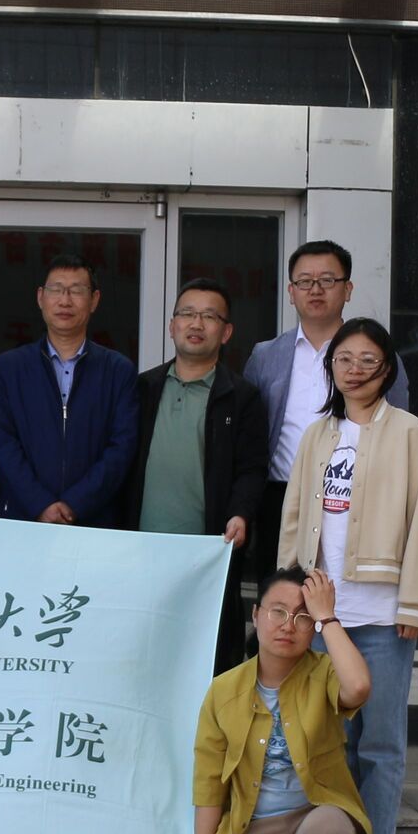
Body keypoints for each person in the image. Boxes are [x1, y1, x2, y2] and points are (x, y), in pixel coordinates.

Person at [275, 317, 418, 834]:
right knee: (328, 741)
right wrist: (291, 591)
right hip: (324, 615)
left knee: (380, 742)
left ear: (387, 368)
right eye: (343, 359)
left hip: (382, 617)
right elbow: (295, 515)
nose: (354, 370)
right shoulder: (317, 435)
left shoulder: (410, 434)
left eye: (367, 360)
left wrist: (414, 603)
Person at [192, 565, 373, 834]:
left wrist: (327, 617)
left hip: (316, 814)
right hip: (257, 828)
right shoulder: (223, 691)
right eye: (277, 612)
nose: (288, 625)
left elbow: (359, 687)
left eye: (302, 617)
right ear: (256, 615)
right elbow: (209, 786)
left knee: (328, 828)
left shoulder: (324, 673)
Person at [120, 276, 269, 670]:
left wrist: (240, 513)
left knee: (202, 661)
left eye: (209, 316)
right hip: (141, 551)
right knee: (140, 654)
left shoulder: (242, 397)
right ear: (172, 325)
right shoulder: (142, 388)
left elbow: (252, 469)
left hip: (205, 556)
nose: (196, 323)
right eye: (187, 313)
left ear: (226, 332)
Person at [244, 239, 410, 570]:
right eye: (305, 281)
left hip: (353, 497)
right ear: (291, 291)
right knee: (282, 593)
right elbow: (249, 434)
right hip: (280, 498)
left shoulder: (377, 358)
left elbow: (397, 428)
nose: (316, 289)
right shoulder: (265, 356)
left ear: (347, 289)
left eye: (328, 280)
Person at [0, 255, 139, 528]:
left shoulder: (118, 371)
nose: (65, 300)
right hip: (22, 520)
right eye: (56, 289)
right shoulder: (9, 369)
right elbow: (3, 444)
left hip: (95, 521)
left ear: (94, 300)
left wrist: (75, 504)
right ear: (40, 297)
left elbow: (121, 448)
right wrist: (39, 504)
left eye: (76, 291)